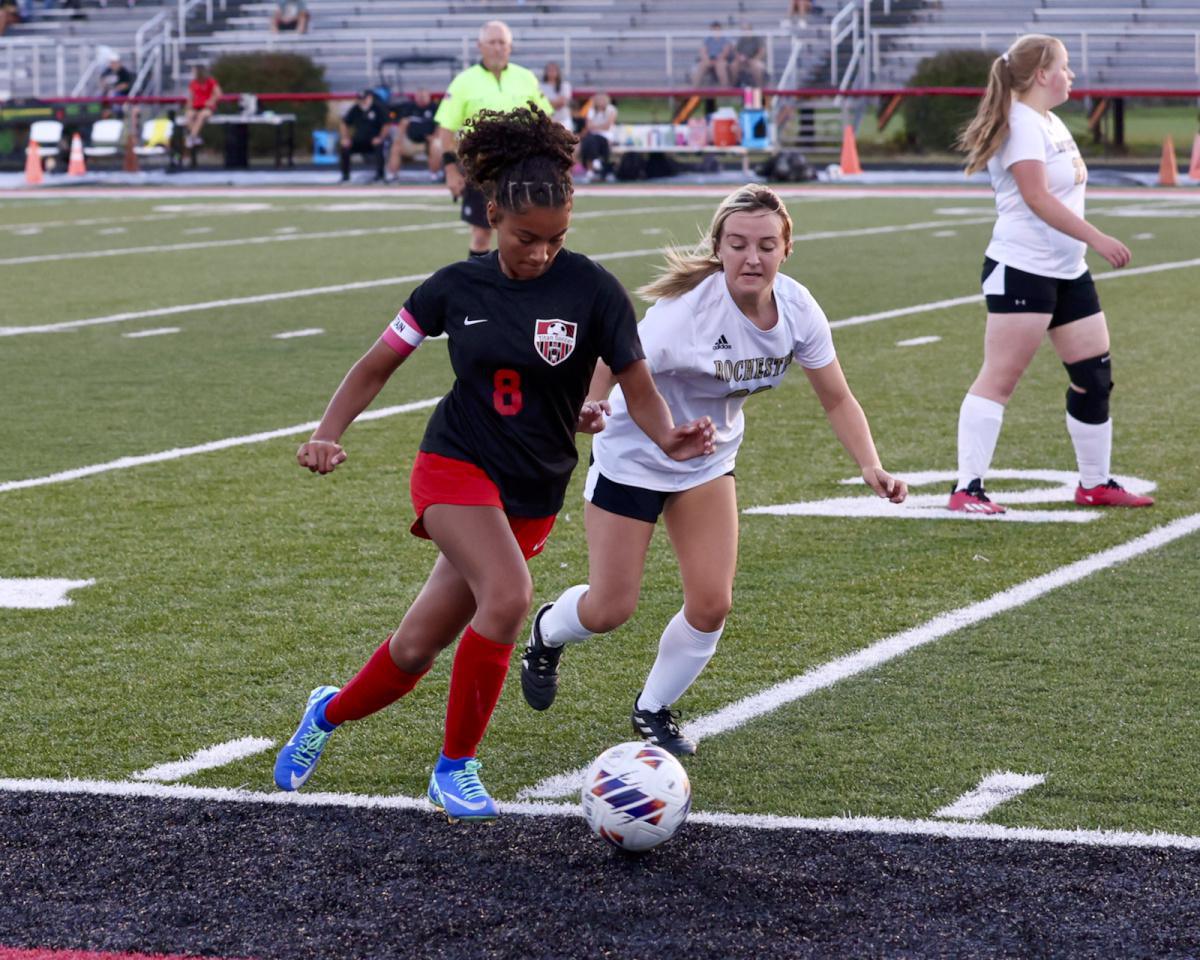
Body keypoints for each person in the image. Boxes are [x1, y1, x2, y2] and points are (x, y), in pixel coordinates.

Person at [272, 105, 716, 821]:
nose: (540, 252)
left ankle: (325, 714)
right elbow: (378, 364)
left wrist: (663, 438)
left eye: (555, 238)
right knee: (508, 597)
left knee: (415, 649)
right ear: (491, 215)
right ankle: (455, 770)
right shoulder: (455, 286)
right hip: (455, 464)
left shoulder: (594, 289)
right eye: (524, 238)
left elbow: (634, 378)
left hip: (535, 486)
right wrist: (328, 430)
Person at [520, 184, 908, 756]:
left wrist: (870, 465)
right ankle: (548, 632)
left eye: (766, 245)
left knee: (711, 603)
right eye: (739, 244)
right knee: (609, 609)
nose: (753, 257)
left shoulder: (798, 309)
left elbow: (837, 398)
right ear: (720, 247)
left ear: (786, 249)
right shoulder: (685, 313)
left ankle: (652, 709)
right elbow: (612, 355)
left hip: (706, 463)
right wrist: (591, 406)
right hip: (634, 456)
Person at [949, 34, 1152, 514]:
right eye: (1064, 66)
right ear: (1041, 74)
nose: (1071, 75)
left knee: (1094, 376)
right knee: (1000, 378)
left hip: (1066, 270)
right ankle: (967, 489)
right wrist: (1098, 238)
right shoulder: (1021, 124)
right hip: (1023, 270)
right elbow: (1037, 198)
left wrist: (1083, 249)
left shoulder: (1047, 119)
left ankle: (1094, 483)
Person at [432, 20, 552, 259]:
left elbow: (546, 122)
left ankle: (518, 290)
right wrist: (450, 170)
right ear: (480, 46)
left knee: (524, 235)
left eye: (502, 43)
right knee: (481, 235)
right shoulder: (463, 82)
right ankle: (478, 292)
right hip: (481, 170)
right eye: (492, 42)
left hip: (522, 170)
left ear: (510, 46)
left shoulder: (526, 78)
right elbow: (446, 131)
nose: (498, 48)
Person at [385, 88, 439, 181]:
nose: (421, 98)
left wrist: (435, 137)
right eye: (419, 96)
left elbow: (441, 125)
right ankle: (392, 175)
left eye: (424, 96)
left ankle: (434, 175)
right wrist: (398, 139)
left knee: (436, 145)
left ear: (429, 97)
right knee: (396, 146)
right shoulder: (410, 107)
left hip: (429, 141)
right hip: (411, 141)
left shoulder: (435, 108)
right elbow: (403, 123)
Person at [339, 88, 387, 183]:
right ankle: (345, 177)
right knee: (345, 148)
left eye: (364, 98)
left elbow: (386, 124)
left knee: (379, 147)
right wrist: (345, 138)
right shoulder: (355, 109)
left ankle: (380, 176)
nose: (362, 101)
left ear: (370, 98)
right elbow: (344, 123)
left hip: (373, 141)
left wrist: (380, 137)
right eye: (360, 98)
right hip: (358, 141)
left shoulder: (378, 108)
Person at [579, 91, 617, 180]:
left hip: (606, 136)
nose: (600, 101)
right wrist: (599, 127)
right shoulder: (591, 110)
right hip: (593, 137)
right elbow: (588, 126)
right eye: (598, 99)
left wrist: (595, 127)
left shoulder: (611, 109)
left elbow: (607, 126)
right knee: (590, 141)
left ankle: (591, 170)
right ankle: (595, 162)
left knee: (591, 140)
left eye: (602, 99)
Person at [184, 64, 221, 149]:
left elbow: (218, 93)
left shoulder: (211, 81)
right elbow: (190, 97)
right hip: (196, 106)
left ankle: (192, 137)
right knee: (189, 116)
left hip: (207, 107)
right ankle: (196, 137)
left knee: (201, 115)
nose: (192, 73)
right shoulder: (193, 83)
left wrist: (211, 101)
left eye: (194, 71)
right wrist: (188, 106)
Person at [691, 21, 733, 87]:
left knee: (721, 67)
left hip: (720, 60)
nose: (715, 31)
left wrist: (716, 60)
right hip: (709, 59)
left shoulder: (725, 39)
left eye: (717, 29)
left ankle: (725, 90)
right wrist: (707, 59)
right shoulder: (707, 39)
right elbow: (703, 51)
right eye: (713, 30)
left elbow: (725, 52)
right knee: (701, 66)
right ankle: (694, 89)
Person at [540, 61, 573, 132]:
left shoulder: (565, 85)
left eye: (554, 70)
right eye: (549, 70)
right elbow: (540, 103)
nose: (551, 72)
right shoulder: (540, 86)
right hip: (548, 120)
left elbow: (562, 102)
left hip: (563, 119)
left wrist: (549, 103)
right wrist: (555, 102)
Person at [733, 22, 767, 87]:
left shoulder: (757, 39)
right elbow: (736, 51)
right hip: (743, 61)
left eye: (746, 29)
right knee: (733, 65)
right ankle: (733, 89)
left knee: (757, 67)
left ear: (751, 29)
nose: (745, 31)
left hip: (755, 60)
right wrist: (739, 57)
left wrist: (754, 59)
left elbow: (762, 51)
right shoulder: (741, 39)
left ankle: (759, 88)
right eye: (743, 30)